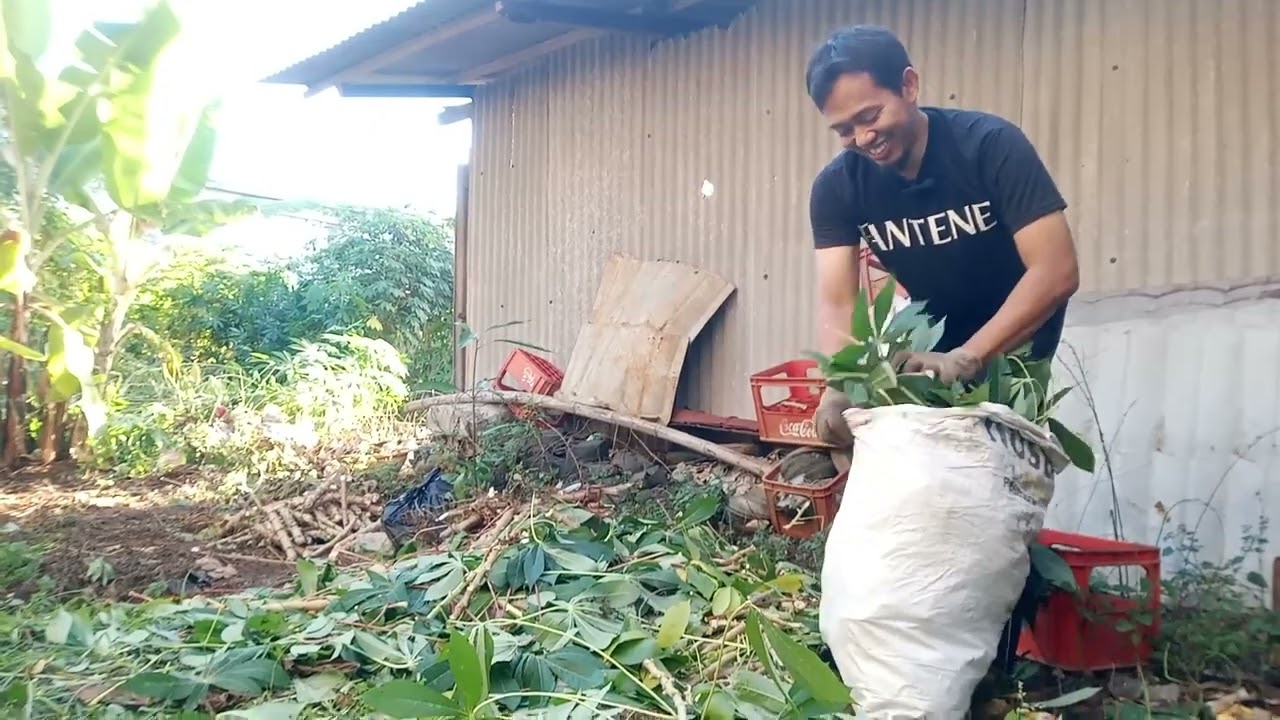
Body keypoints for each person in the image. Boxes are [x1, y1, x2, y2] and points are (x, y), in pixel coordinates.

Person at [803, 24, 1081, 672]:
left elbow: (1056, 270)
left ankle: (998, 662)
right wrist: (841, 382)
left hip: (1016, 338)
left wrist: (972, 358)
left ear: (909, 85)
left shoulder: (989, 147)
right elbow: (839, 301)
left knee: (994, 496)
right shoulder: (839, 187)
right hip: (929, 336)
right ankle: (901, 647)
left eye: (869, 116)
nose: (862, 138)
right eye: (844, 129)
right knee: (913, 489)